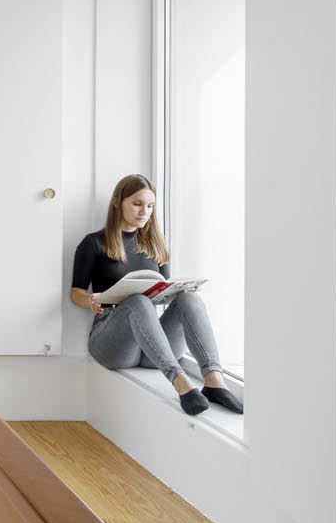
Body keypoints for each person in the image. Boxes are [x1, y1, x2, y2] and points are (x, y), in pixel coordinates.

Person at [71, 174, 243, 418]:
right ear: (117, 202)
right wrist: (90, 300)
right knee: (138, 301)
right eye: (137, 203)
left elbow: (162, 291)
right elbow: (75, 292)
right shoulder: (94, 243)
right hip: (112, 343)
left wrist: (178, 291)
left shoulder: (155, 246)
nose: (145, 211)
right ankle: (180, 382)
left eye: (150, 206)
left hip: (151, 347)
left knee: (189, 300)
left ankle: (214, 380)